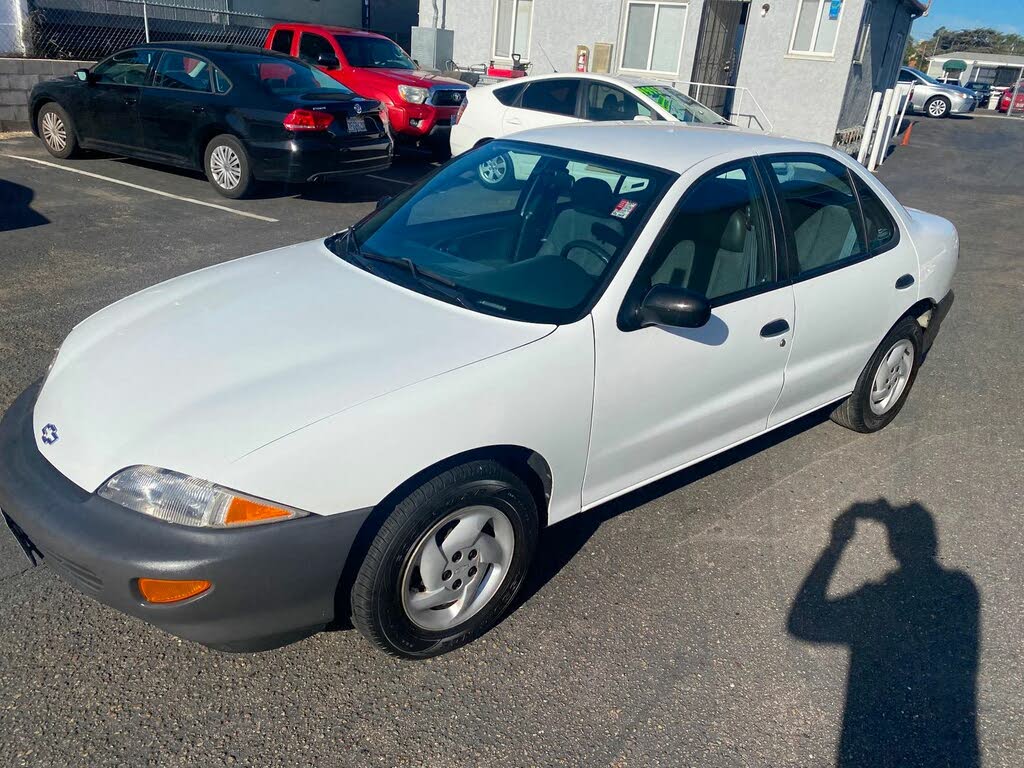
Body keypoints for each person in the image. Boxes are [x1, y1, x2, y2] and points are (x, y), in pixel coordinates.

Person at [788, 501, 979, 767]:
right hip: (946, 753)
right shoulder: (961, 593)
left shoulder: (876, 604)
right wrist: (895, 520)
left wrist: (837, 544)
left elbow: (802, 622)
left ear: (893, 546)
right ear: (933, 542)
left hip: (874, 753)